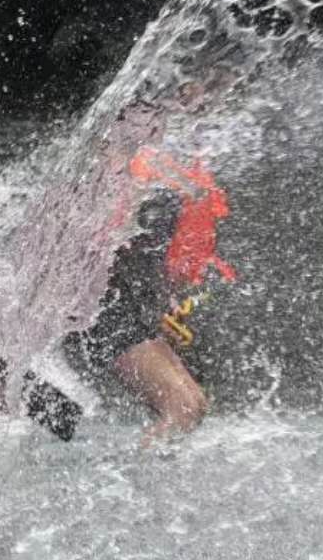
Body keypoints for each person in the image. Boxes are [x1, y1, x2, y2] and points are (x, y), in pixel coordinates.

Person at [61, 144, 236, 436]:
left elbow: (162, 264)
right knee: (183, 407)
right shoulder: (142, 173)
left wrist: (162, 305)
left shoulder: (172, 172)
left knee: (193, 405)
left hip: (116, 306)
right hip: (97, 311)